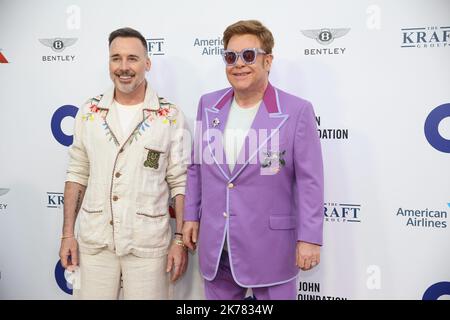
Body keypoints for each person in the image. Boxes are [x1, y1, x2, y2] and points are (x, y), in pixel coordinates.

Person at [183, 20, 324, 300]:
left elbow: (311, 182)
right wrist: (190, 216)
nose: (239, 64)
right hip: (216, 246)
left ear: (268, 60)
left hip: (271, 249)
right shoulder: (208, 105)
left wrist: (309, 238)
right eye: (230, 57)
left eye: (248, 55)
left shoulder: (296, 111)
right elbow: (196, 167)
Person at [59, 27, 188, 299]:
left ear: (147, 63)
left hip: (149, 247)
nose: (124, 67)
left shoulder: (170, 116)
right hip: (95, 244)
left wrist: (179, 241)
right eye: (116, 58)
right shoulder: (90, 112)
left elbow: (181, 183)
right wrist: (67, 235)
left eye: (132, 58)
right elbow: (77, 173)